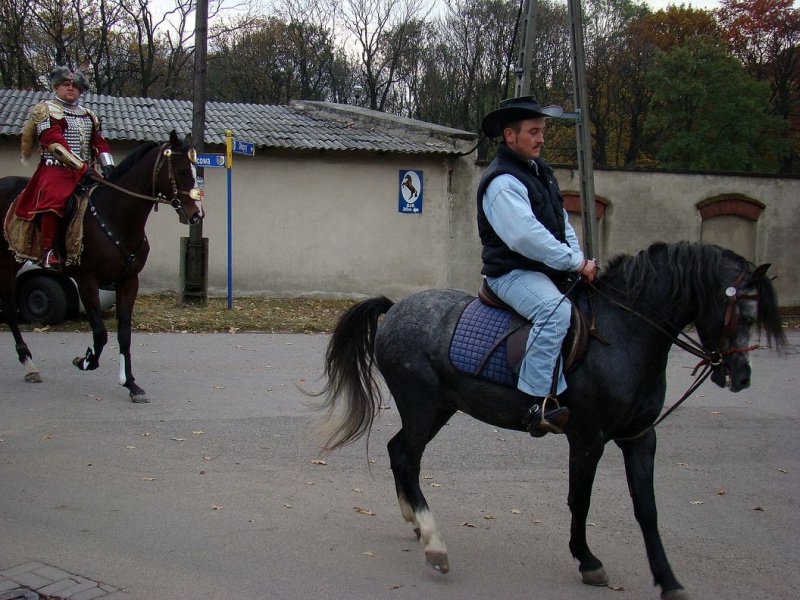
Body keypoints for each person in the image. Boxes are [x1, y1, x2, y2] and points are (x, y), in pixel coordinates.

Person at [477, 95, 597, 437]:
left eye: (542, 130)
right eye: (534, 131)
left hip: (544, 270)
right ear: (510, 135)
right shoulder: (502, 182)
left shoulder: (539, 173)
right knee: (555, 311)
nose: (541, 138)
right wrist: (573, 261)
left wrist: (579, 260)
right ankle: (535, 403)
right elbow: (526, 238)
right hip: (511, 274)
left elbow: (561, 226)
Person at [16, 66, 115, 271]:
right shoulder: (46, 110)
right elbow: (54, 143)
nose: (71, 88)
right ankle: (48, 251)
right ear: (56, 87)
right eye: (66, 84)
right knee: (54, 198)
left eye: (75, 86)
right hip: (56, 170)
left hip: (86, 170)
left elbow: (99, 142)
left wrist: (109, 166)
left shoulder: (89, 115)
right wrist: (80, 166)